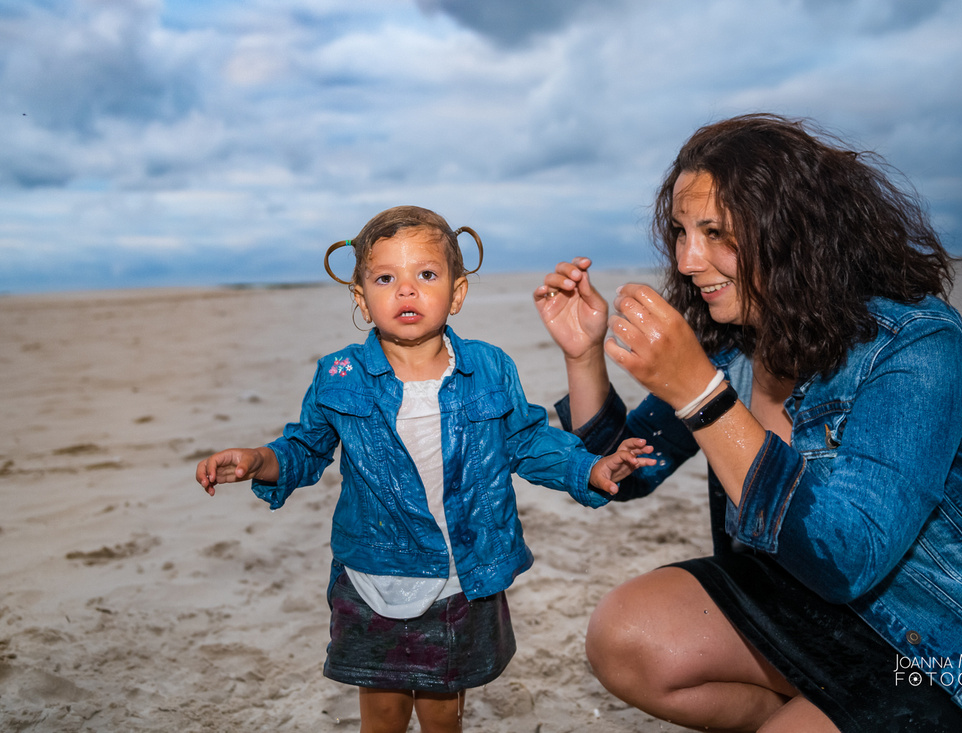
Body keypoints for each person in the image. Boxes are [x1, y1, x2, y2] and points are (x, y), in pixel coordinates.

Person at [534, 114, 962, 732]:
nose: (689, 260)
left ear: (792, 231)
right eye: (680, 231)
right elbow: (626, 471)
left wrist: (700, 393)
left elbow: (848, 557)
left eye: (716, 231)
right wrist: (583, 356)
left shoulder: (916, 346)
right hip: (827, 618)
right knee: (626, 635)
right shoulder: (734, 344)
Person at [195, 205, 654, 733]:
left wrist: (591, 468)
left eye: (426, 275)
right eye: (386, 278)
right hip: (371, 574)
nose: (406, 291)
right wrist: (259, 461)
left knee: (442, 713)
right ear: (361, 299)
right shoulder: (339, 375)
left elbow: (527, 442)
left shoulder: (489, 367)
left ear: (457, 293)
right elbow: (305, 449)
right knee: (383, 714)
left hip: (462, 575)